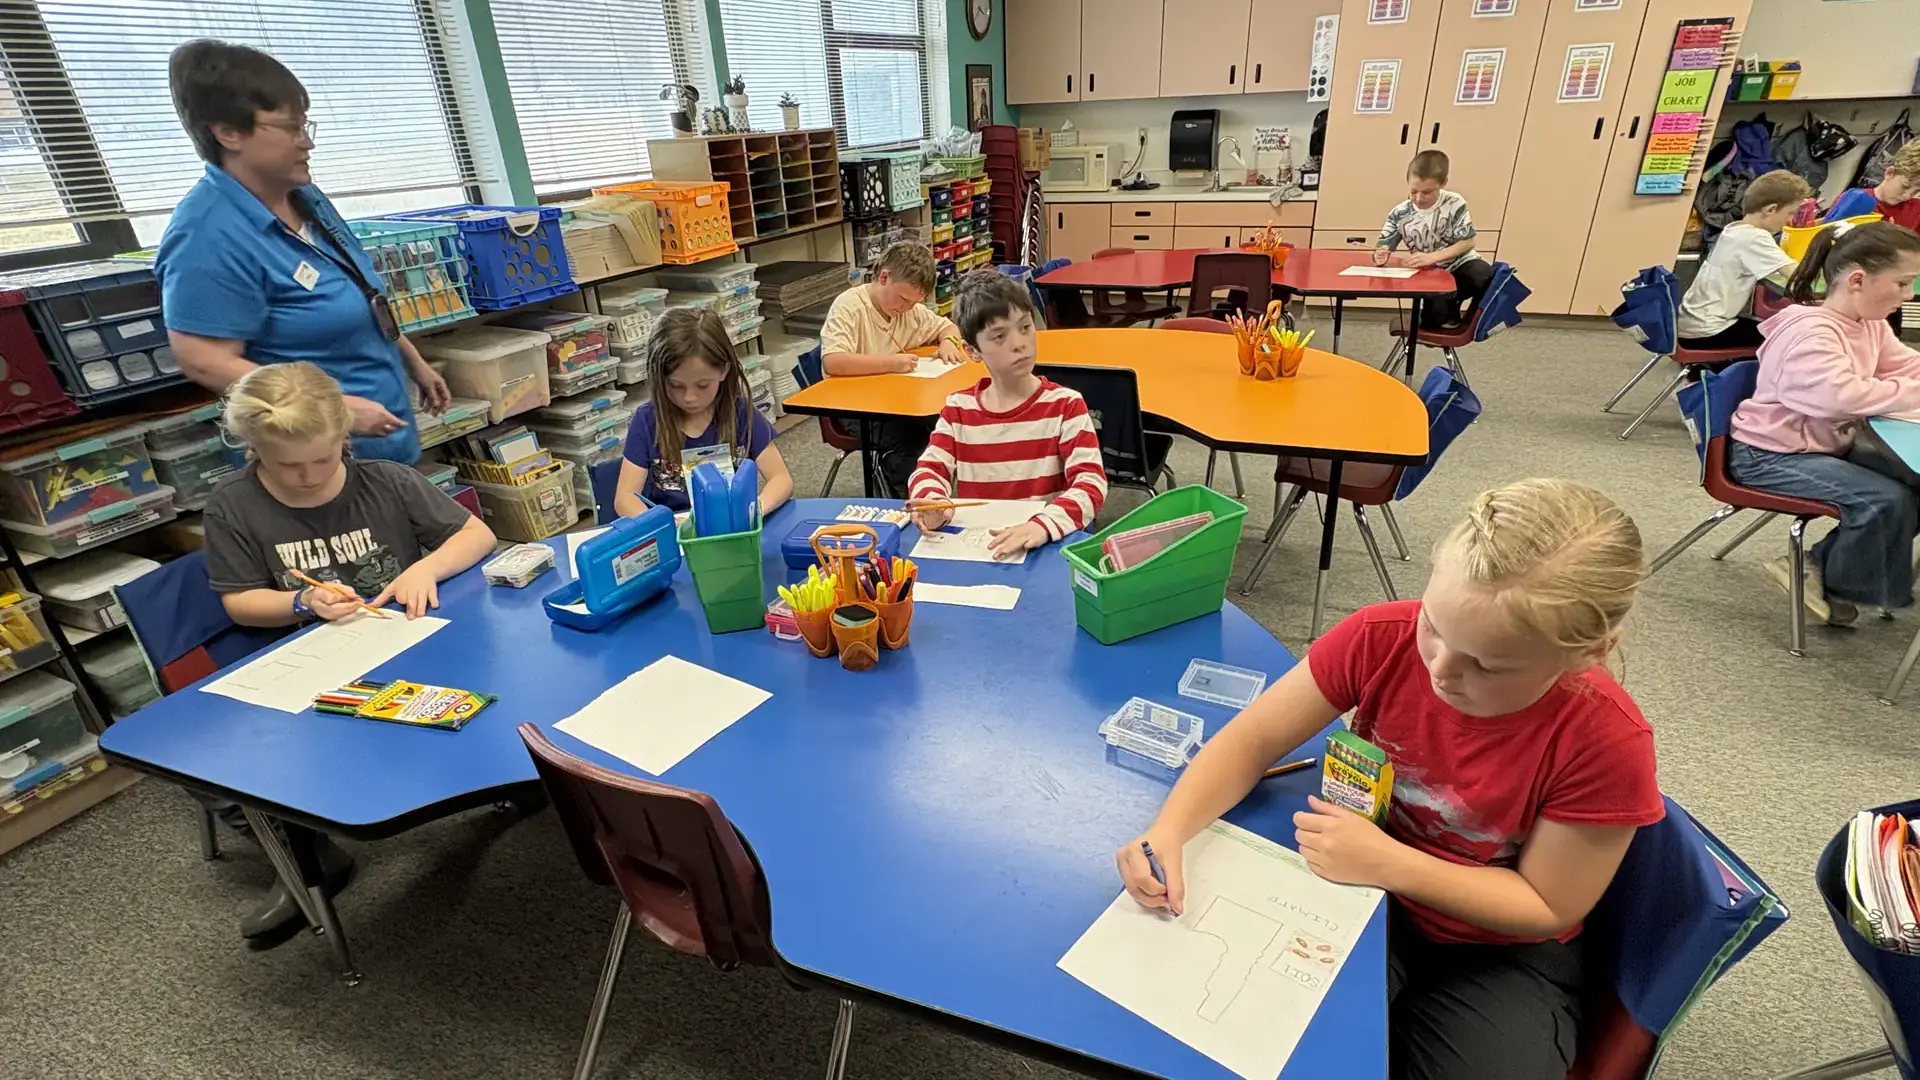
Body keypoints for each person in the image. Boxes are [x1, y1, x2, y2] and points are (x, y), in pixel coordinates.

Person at [1114, 479, 1662, 1080]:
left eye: (1487, 664)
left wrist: (1389, 863)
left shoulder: (1606, 742)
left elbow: (1546, 903)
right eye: (1433, 625)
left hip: (1498, 948)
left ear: (1589, 653)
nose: (1441, 670)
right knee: (1248, 1032)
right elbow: (1252, 741)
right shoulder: (1381, 637)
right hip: (1359, 896)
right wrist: (1169, 830)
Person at [202, 361, 497, 939]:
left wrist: (423, 568)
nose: (309, 476)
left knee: (480, 699)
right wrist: (301, 605)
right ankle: (307, 856)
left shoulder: (385, 480)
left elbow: (478, 534)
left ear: (345, 438)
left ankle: (493, 789)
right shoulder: (232, 505)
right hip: (308, 665)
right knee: (221, 766)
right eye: (288, 465)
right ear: (252, 449)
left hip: (410, 650)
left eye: (324, 458)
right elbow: (239, 602)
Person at [155, 40, 449, 465]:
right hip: (309, 463)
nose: (305, 143)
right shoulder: (207, 235)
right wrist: (335, 412)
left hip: (381, 446)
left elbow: (357, 287)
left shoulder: (302, 195)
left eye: (305, 127)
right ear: (227, 132)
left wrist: (411, 359)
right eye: (290, 128)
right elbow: (203, 360)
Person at [1727, 221, 1920, 624]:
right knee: (1885, 500)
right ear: (1857, 280)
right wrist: (1904, 391)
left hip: (1817, 446)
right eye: (1903, 284)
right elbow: (1837, 398)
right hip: (1769, 455)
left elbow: (1905, 366)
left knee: (1913, 486)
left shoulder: (1870, 324)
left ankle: (1829, 568)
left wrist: (1897, 385)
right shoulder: (1812, 332)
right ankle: (1820, 572)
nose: (1909, 295)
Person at [908, 271, 1107, 560]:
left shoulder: (1066, 405)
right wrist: (934, 502)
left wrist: (1042, 526)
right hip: (980, 547)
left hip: (1040, 546)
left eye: (1025, 327)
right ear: (972, 351)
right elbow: (929, 469)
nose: (1019, 343)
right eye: (999, 336)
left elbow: (1091, 484)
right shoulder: (958, 410)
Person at [614, 308, 794, 518]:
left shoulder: (741, 413)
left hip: (733, 528)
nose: (690, 397)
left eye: (702, 385)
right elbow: (625, 498)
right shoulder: (647, 421)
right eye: (676, 386)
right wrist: (661, 525)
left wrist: (755, 510)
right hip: (674, 533)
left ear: (724, 371)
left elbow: (781, 479)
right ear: (659, 378)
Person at [820, 243, 970, 495]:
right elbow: (832, 361)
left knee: (947, 420)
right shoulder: (850, 306)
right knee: (909, 436)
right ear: (884, 277)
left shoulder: (909, 311)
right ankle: (903, 499)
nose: (906, 308)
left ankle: (936, 488)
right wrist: (890, 363)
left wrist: (949, 342)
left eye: (914, 303)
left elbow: (948, 328)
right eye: (902, 299)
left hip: (895, 398)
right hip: (854, 408)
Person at [1676, 170, 1810, 351]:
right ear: (1770, 209)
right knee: (1786, 341)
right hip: (1707, 331)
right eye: (1789, 213)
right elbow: (1797, 275)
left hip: (1691, 322)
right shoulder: (1754, 238)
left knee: (1768, 328)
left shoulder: (1734, 229)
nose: (1790, 220)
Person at [1372, 150, 1495, 328]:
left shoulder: (1454, 203)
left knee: (1482, 273)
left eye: (1427, 192)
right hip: (1429, 273)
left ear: (1443, 183)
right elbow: (1383, 245)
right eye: (1414, 191)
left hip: (1459, 264)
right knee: (1436, 322)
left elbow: (1469, 241)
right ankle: (1441, 305)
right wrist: (1380, 255)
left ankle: (1450, 299)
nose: (1419, 198)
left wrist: (1434, 257)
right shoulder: (1400, 213)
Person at [1823, 140, 1920, 233]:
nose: (1907, 196)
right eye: (1904, 186)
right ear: (1890, 173)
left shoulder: (1917, 210)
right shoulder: (1854, 201)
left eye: (1916, 191)